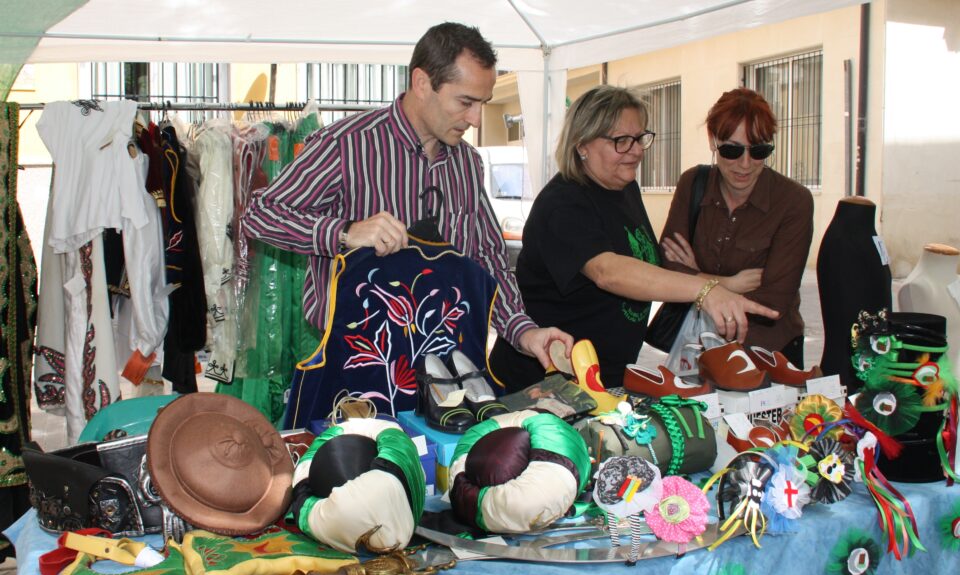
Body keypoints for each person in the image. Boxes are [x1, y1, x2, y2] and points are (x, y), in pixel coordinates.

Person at [244, 22, 571, 370]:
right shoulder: (346, 146)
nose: (476, 119)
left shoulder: (468, 164)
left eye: (483, 104)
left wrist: (523, 331)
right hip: (356, 366)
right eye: (465, 102)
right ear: (422, 83)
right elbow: (260, 214)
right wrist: (345, 231)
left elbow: (488, 258)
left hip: (445, 362)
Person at [489, 85, 779, 391]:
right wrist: (705, 290)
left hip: (606, 379)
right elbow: (608, 272)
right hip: (543, 384)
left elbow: (644, 267)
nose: (637, 150)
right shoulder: (563, 203)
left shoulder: (624, 188)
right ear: (582, 144)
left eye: (639, 138)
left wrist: (715, 284)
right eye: (621, 141)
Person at [660, 88, 814, 367]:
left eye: (759, 151)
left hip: (768, 354)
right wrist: (730, 284)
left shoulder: (793, 200)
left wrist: (696, 278)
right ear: (712, 140)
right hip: (699, 351)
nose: (745, 164)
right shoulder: (692, 184)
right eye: (732, 150)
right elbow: (667, 270)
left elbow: (773, 302)